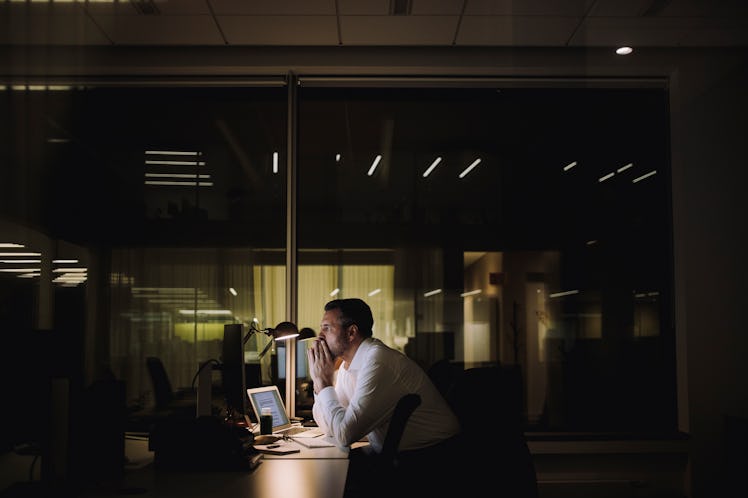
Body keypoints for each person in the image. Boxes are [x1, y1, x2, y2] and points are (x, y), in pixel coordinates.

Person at [307, 298, 461, 497]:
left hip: (434, 459)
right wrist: (319, 383)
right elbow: (329, 427)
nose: (319, 336)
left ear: (351, 332)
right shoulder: (348, 366)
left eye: (326, 328)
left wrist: (324, 383)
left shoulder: (377, 361)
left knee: (330, 482)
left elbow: (345, 435)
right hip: (399, 455)